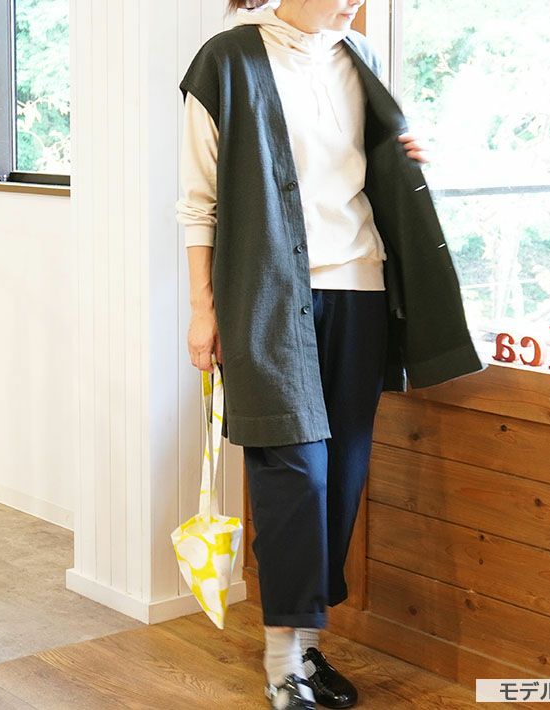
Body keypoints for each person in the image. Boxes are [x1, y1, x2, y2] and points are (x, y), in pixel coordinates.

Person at [176, 1, 432, 708]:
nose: (354, 2)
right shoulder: (227, 61)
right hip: (267, 298)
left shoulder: (361, 60)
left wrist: (410, 157)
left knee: (341, 475)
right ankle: (281, 663)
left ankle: (308, 649)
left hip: (361, 289)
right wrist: (203, 309)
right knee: (293, 474)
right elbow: (198, 202)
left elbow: (368, 173)